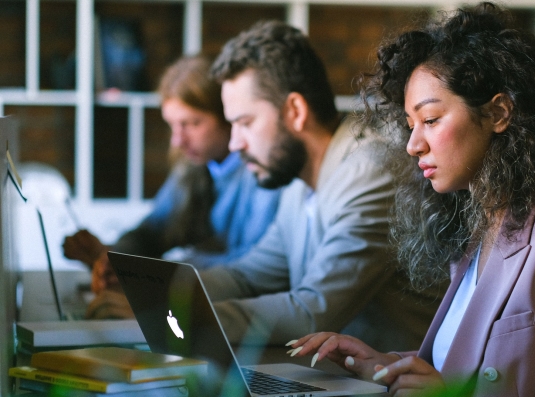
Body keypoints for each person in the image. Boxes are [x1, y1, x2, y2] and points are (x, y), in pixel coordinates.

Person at [289, 3, 535, 396]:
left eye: (431, 120)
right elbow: (472, 369)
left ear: (499, 113)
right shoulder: (486, 224)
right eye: (410, 126)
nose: (413, 145)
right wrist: (387, 366)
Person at [86, 20, 443, 352]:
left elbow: (312, 310)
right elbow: (248, 276)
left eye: (245, 123)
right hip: (331, 377)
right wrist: (154, 291)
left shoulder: (370, 170)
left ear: (295, 111)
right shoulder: (298, 181)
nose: (236, 142)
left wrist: (167, 317)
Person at [63, 55, 281, 296]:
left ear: (227, 117)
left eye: (192, 124)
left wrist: (152, 272)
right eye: (173, 125)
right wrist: (114, 257)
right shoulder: (193, 167)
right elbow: (152, 232)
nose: (178, 140)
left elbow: (252, 266)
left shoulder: (262, 173)